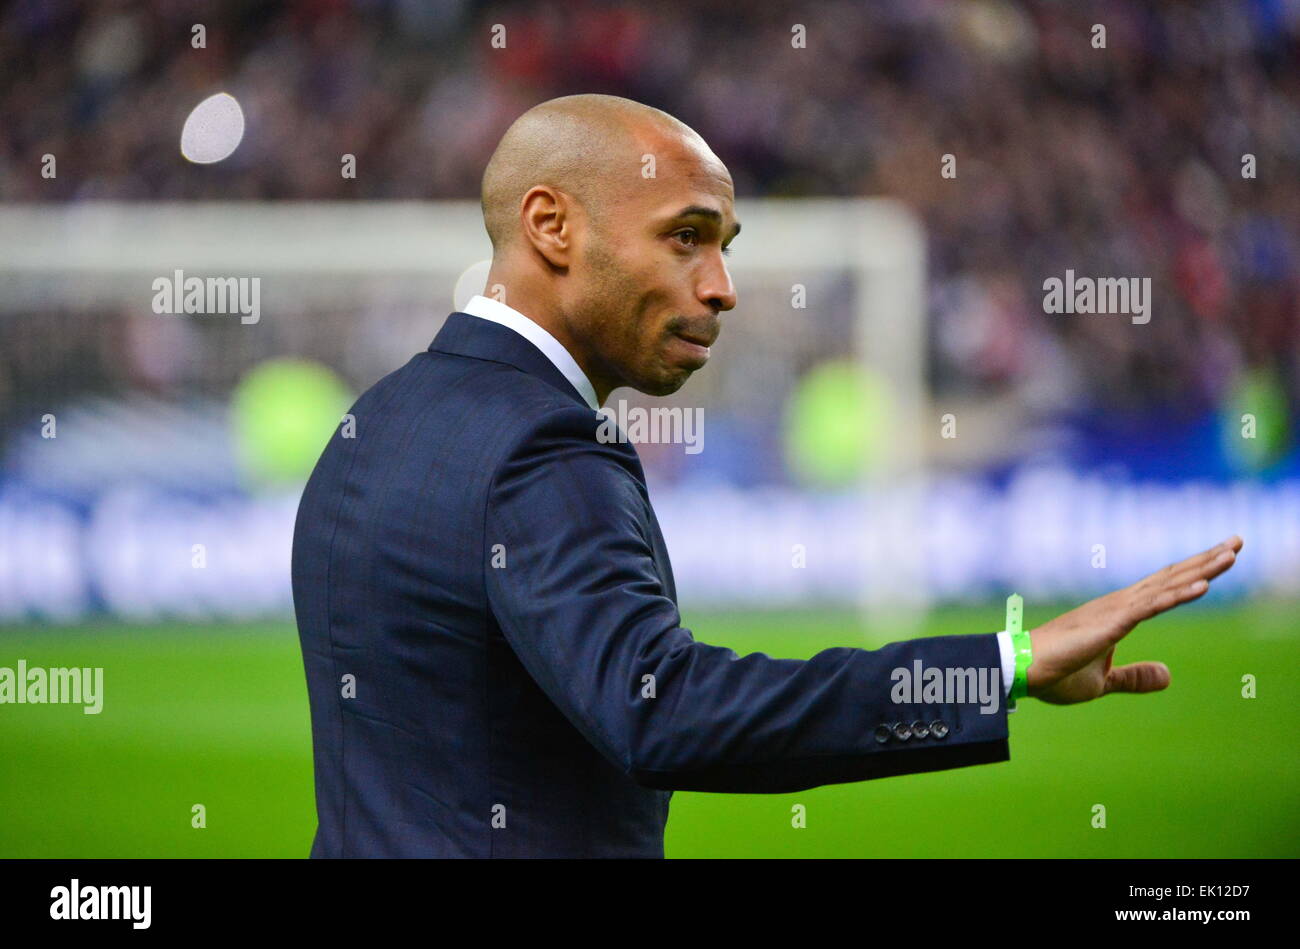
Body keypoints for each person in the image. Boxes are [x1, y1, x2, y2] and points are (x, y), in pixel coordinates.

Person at [291, 93, 1242, 857]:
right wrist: (1008, 665)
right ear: (551, 226)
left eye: (726, 246)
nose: (722, 285)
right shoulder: (544, 449)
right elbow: (664, 710)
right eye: (686, 236)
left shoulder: (368, 423)